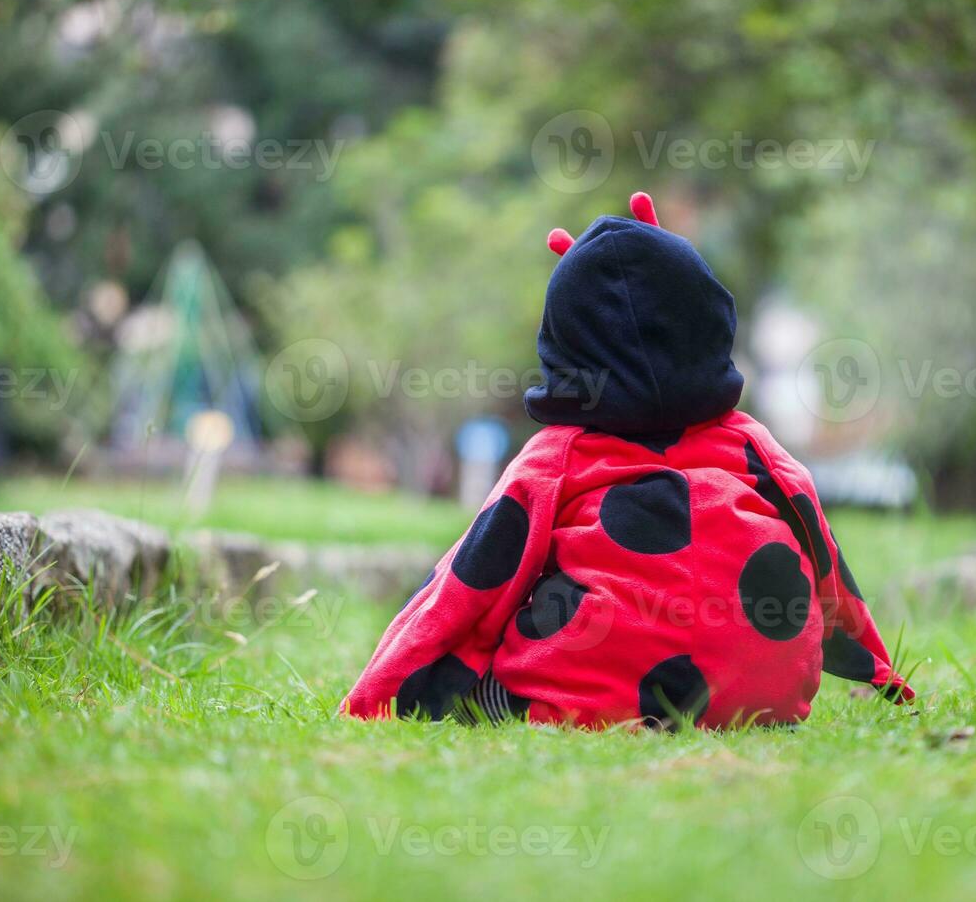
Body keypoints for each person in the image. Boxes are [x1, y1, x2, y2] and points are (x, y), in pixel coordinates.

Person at [344, 193, 912, 728]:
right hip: (771, 697)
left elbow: (472, 576)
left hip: (590, 696)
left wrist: (377, 691)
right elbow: (820, 545)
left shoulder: (558, 455)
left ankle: (543, 693)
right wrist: (877, 668)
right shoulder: (751, 441)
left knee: (483, 682)